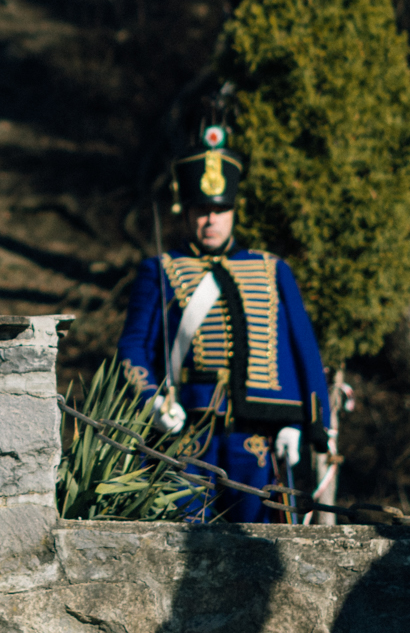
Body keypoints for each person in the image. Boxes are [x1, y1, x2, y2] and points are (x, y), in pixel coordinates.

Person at [115, 123, 333, 523]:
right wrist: (152, 399)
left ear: (234, 210)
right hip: (184, 433)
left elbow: (303, 348)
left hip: (257, 437)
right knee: (177, 540)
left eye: (220, 210)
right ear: (186, 210)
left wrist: (304, 423)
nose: (211, 220)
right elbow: (131, 349)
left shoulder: (271, 269)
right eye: (202, 209)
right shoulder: (159, 270)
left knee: (258, 544)